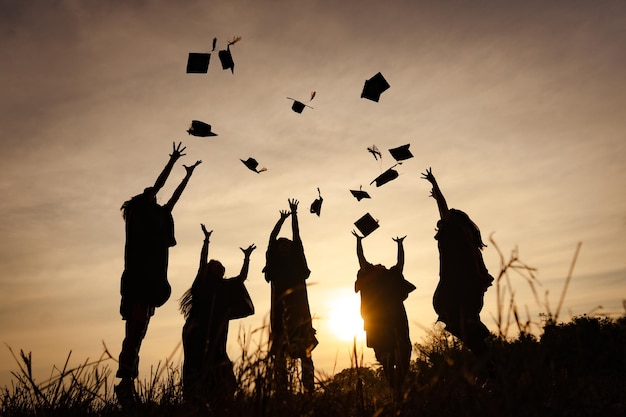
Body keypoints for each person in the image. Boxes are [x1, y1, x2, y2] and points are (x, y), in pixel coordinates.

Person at [115, 142, 201, 406]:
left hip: (152, 281)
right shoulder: (138, 213)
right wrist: (173, 162)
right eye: (149, 194)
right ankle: (125, 380)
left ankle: (128, 381)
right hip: (138, 278)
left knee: (140, 330)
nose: (154, 195)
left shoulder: (159, 215)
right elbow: (160, 185)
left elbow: (173, 198)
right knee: (135, 328)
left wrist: (187, 176)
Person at [421, 167, 494, 370]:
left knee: (455, 318)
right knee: (466, 328)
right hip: (464, 288)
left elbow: (444, 208)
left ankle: (488, 363)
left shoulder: (452, 229)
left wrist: (435, 186)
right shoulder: (461, 237)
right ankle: (487, 361)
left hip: (457, 288)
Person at [179, 224, 256, 410]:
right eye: (215, 266)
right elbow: (202, 262)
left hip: (217, 332)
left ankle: (220, 401)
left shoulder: (225, 286)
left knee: (220, 363)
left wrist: (247, 258)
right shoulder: (202, 282)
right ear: (209, 269)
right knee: (196, 364)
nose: (220, 269)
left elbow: (242, 277)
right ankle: (194, 401)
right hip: (197, 330)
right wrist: (206, 241)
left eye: (221, 267)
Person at [352, 231, 415, 399]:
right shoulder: (371, 275)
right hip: (378, 320)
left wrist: (400, 245)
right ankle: (396, 388)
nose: (380, 264)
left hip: (393, 318)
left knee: (400, 350)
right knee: (385, 353)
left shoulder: (390, 275)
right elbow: (361, 258)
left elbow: (400, 263)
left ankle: (397, 387)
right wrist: (358, 241)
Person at [263, 199, 318, 392]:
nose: (284, 246)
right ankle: (281, 389)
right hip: (279, 316)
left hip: (300, 314)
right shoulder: (274, 265)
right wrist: (281, 220)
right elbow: (271, 240)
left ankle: (309, 389)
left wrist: (295, 215)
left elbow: (297, 236)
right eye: (281, 245)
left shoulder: (297, 262)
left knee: (306, 353)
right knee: (279, 355)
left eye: (287, 245)